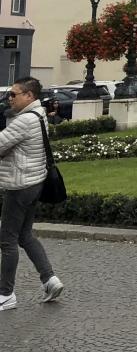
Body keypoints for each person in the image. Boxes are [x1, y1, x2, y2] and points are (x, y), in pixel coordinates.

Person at [0, 77, 63, 309]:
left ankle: (6, 294)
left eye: (14, 94)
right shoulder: (38, 115)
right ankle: (50, 279)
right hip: (35, 183)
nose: (10, 98)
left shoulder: (24, 120)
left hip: (20, 186)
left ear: (29, 96)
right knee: (25, 235)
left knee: (7, 240)